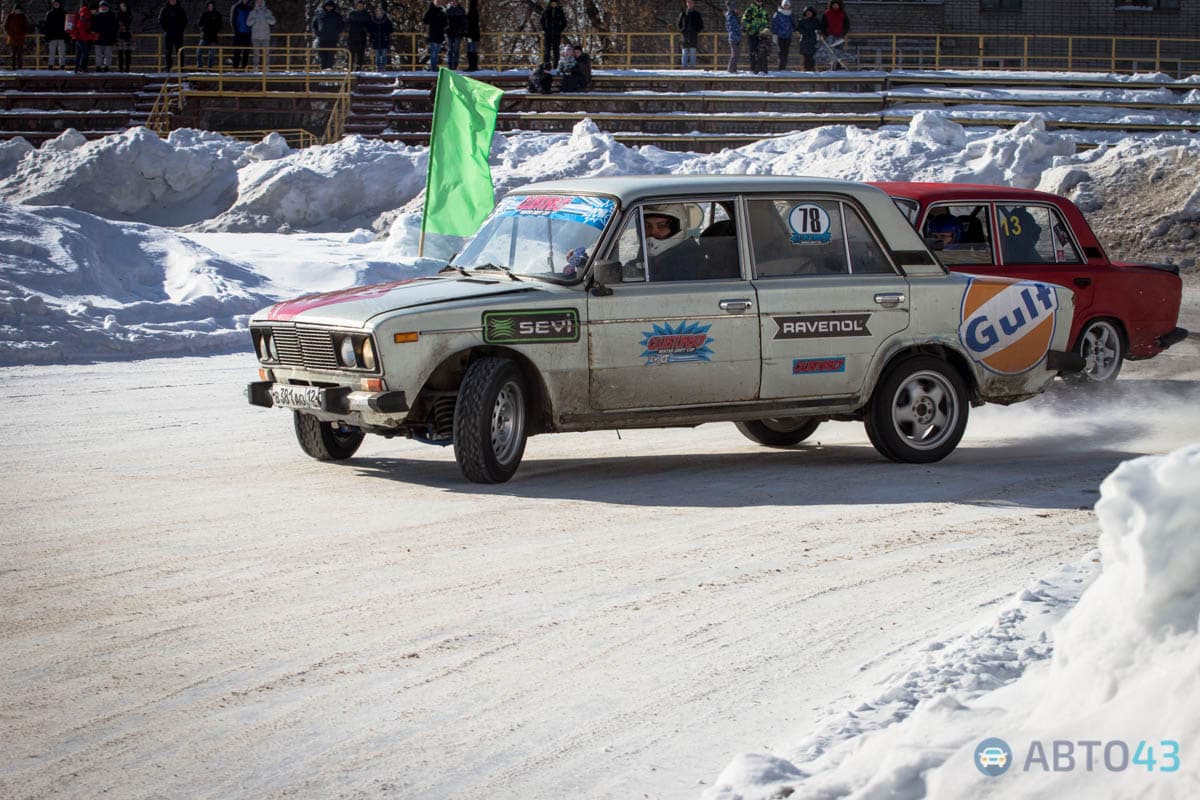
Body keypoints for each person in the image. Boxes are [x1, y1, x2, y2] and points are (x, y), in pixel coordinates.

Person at [312, 0, 343, 70]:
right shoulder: (320, 14)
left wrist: (336, 32)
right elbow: (314, 24)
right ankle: (323, 68)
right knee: (322, 54)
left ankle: (329, 68)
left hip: (333, 38)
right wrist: (317, 33)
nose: (329, 8)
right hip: (322, 38)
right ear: (325, 6)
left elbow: (341, 25)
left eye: (330, 6)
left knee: (331, 54)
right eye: (327, 6)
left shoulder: (337, 15)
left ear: (333, 7)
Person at [741, 0, 769, 75]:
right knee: (752, 51)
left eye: (761, 1)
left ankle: (761, 68)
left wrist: (766, 28)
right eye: (758, 1)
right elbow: (744, 20)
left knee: (762, 51)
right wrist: (750, 28)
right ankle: (753, 68)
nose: (760, 2)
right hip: (752, 33)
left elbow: (766, 21)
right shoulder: (750, 10)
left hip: (761, 34)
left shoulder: (763, 11)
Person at [819, 0, 849, 70]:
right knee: (831, 52)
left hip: (839, 36)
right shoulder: (827, 13)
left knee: (839, 51)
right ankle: (831, 67)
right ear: (831, 5)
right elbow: (823, 25)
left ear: (839, 5)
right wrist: (825, 33)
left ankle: (838, 67)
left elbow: (847, 25)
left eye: (836, 5)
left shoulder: (843, 13)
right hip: (830, 36)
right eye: (834, 5)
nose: (835, 6)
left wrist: (843, 33)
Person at [159, 0, 187, 70]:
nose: (173, 1)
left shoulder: (180, 10)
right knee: (168, 51)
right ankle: (168, 67)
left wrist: (181, 30)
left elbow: (185, 21)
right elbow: (161, 20)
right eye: (171, 0)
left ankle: (181, 67)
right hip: (168, 33)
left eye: (174, 0)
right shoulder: (165, 9)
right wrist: (166, 29)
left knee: (180, 51)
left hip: (178, 34)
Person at [41, 0, 68, 69]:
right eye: (55, 3)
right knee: (51, 52)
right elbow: (46, 26)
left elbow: (67, 25)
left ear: (59, 4)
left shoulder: (64, 13)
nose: (56, 5)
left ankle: (62, 66)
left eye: (57, 3)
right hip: (52, 36)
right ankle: (50, 65)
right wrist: (47, 36)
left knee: (62, 52)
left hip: (62, 36)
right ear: (53, 4)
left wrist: (67, 36)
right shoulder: (49, 13)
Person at [246, 0, 273, 70]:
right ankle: (255, 67)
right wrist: (253, 20)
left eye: (261, 2)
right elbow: (248, 23)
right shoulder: (252, 12)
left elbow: (273, 22)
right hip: (255, 36)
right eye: (258, 2)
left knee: (266, 53)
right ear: (256, 3)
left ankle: (266, 67)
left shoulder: (267, 11)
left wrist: (268, 19)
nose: (259, 3)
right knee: (256, 53)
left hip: (265, 36)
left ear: (263, 2)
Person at [70, 1, 97, 72]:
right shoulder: (85, 15)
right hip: (82, 38)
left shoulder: (85, 14)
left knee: (79, 54)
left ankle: (77, 68)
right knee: (85, 53)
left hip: (79, 37)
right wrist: (86, 36)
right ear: (92, 9)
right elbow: (81, 27)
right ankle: (81, 67)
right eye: (95, 10)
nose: (95, 11)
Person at [92, 0, 117, 71]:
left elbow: (115, 27)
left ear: (107, 7)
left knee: (108, 54)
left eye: (105, 6)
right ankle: (98, 67)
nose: (103, 7)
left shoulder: (111, 15)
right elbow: (92, 26)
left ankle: (107, 67)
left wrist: (114, 38)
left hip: (108, 38)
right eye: (102, 6)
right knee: (98, 54)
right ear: (100, 7)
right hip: (98, 38)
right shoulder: (96, 15)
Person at [4, 3, 31, 70]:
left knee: (19, 54)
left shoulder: (23, 17)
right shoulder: (10, 16)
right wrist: (10, 33)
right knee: (13, 54)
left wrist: (23, 33)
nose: (18, 11)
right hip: (12, 37)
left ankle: (20, 67)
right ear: (14, 10)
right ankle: (13, 67)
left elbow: (27, 26)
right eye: (16, 10)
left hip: (20, 38)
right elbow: (6, 26)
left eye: (19, 10)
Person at [677, 0, 703, 69]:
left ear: (694, 4)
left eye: (691, 3)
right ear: (686, 4)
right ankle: (684, 67)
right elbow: (679, 23)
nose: (690, 4)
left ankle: (692, 67)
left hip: (693, 35)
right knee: (684, 52)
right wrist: (682, 30)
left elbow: (701, 25)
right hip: (685, 35)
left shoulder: (697, 14)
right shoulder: (683, 13)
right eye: (688, 2)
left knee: (692, 52)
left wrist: (696, 31)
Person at [540, 0, 565, 68]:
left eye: (555, 3)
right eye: (552, 3)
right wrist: (544, 29)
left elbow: (564, 22)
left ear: (557, 4)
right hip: (547, 34)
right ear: (550, 3)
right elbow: (542, 21)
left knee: (556, 50)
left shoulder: (560, 11)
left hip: (557, 34)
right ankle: (546, 66)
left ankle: (555, 66)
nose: (554, 4)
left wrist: (560, 30)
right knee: (547, 50)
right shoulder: (546, 11)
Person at [345, 0, 369, 69]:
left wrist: (365, 28)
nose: (360, 7)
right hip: (352, 36)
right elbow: (347, 23)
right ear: (356, 6)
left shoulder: (366, 14)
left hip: (362, 37)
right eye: (359, 6)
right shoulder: (351, 13)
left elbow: (369, 24)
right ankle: (349, 68)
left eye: (362, 6)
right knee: (350, 53)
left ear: (363, 6)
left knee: (360, 54)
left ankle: (359, 68)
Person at [197, 0, 222, 68]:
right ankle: (200, 67)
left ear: (214, 7)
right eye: (209, 6)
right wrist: (203, 29)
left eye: (212, 6)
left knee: (211, 54)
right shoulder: (204, 14)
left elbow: (220, 25)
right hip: (204, 36)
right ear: (207, 7)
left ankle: (209, 68)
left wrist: (216, 30)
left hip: (213, 37)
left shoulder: (217, 14)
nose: (210, 7)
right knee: (198, 52)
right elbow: (199, 24)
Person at [423, 0, 446, 70]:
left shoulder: (442, 11)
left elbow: (445, 22)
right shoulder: (430, 11)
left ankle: (434, 66)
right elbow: (425, 20)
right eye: (437, 2)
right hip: (432, 34)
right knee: (434, 52)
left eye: (439, 2)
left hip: (440, 34)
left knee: (437, 52)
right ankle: (433, 67)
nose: (438, 3)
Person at [367, 5, 392, 70]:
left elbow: (391, 29)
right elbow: (369, 30)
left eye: (380, 12)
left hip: (384, 39)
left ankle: (383, 67)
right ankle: (378, 67)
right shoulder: (372, 20)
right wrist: (371, 37)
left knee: (384, 55)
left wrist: (386, 33)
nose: (379, 13)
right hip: (376, 40)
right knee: (377, 55)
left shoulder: (386, 20)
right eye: (377, 12)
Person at [770, 0, 793, 71]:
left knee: (786, 52)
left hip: (788, 36)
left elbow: (793, 24)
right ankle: (781, 67)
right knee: (781, 52)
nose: (786, 6)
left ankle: (784, 67)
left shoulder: (791, 14)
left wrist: (792, 29)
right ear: (782, 5)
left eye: (787, 5)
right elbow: (774, 24)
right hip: (780, 36)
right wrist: (774, 34)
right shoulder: (778, 14)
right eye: (785, 5)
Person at [795, 5, 819, 71]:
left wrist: (816, 32)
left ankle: (812, 69)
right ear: (805, 13)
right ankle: (806, 69)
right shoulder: (802, 21)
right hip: (805, 40)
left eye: (810, 12)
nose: (808, 13)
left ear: (812, 13)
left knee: (813, 56)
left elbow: (819, 28)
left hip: (813, 41)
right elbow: (798, 29)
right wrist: (805, 32)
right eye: (807, 12)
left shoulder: (816, 21)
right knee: (806, 56)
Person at [230, 0, 252, 68]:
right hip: (238, 32)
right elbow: (233, 20)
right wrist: (235, 30)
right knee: (237, 51)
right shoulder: (236, 7)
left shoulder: (250, 8)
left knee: (246, 51)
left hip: (248, 32)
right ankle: (235, 67)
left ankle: (244, 67)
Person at [444, 0, 465, 70]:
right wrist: (446, 29)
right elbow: (445, 22)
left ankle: (455, 65)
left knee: (456, 50)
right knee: (450, 50)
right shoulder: (448, 11)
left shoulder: (461, 10)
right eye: (452, 1)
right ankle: (449, 64)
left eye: (454, 1)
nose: (453, 2)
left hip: (458, 33)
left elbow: (464, 22)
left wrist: (462, 31)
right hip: (450, 33)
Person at [115, 0, 132, 71]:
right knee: (120, 53)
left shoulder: (129, 14)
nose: (123, 8)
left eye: (124, 6)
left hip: (127, 35)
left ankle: (127, 68)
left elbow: (131, 24)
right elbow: (116, 25)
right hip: (120, 35)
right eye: (121, 6)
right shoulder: (118, 14)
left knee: (128, 53)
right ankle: (120, 69)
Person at [724, 0, 740, 74]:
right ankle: (731, 69)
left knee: (736, 54)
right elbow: (732, 27)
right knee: (735, 54)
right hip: (733, 37)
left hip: (735, 37)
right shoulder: (731, 16)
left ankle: (734, 69)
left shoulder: (733, 15)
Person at [465, 0, 480, 70]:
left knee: (471, 50)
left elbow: (470, 24)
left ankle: (472, 66)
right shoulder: (474, 12)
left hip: (471, 35)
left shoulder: (472, 13)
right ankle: (472, 66)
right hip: (472, 35)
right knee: (471, 50)